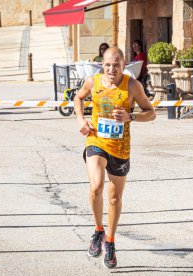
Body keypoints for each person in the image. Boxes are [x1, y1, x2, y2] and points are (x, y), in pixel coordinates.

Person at [74, 47, 156, 269]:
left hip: (120, 148)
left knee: (114, 199)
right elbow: (78, 98)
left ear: (124, 64)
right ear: (103, 64)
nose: (112, 69)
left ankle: (110, 241)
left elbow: (151, 113)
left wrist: (131, 116)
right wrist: (82, 120)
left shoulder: (132, 85)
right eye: (108, 64)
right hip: (96, 141)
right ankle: (98, 230)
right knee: (96, 187)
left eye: (116, 64)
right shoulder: (93, 82)